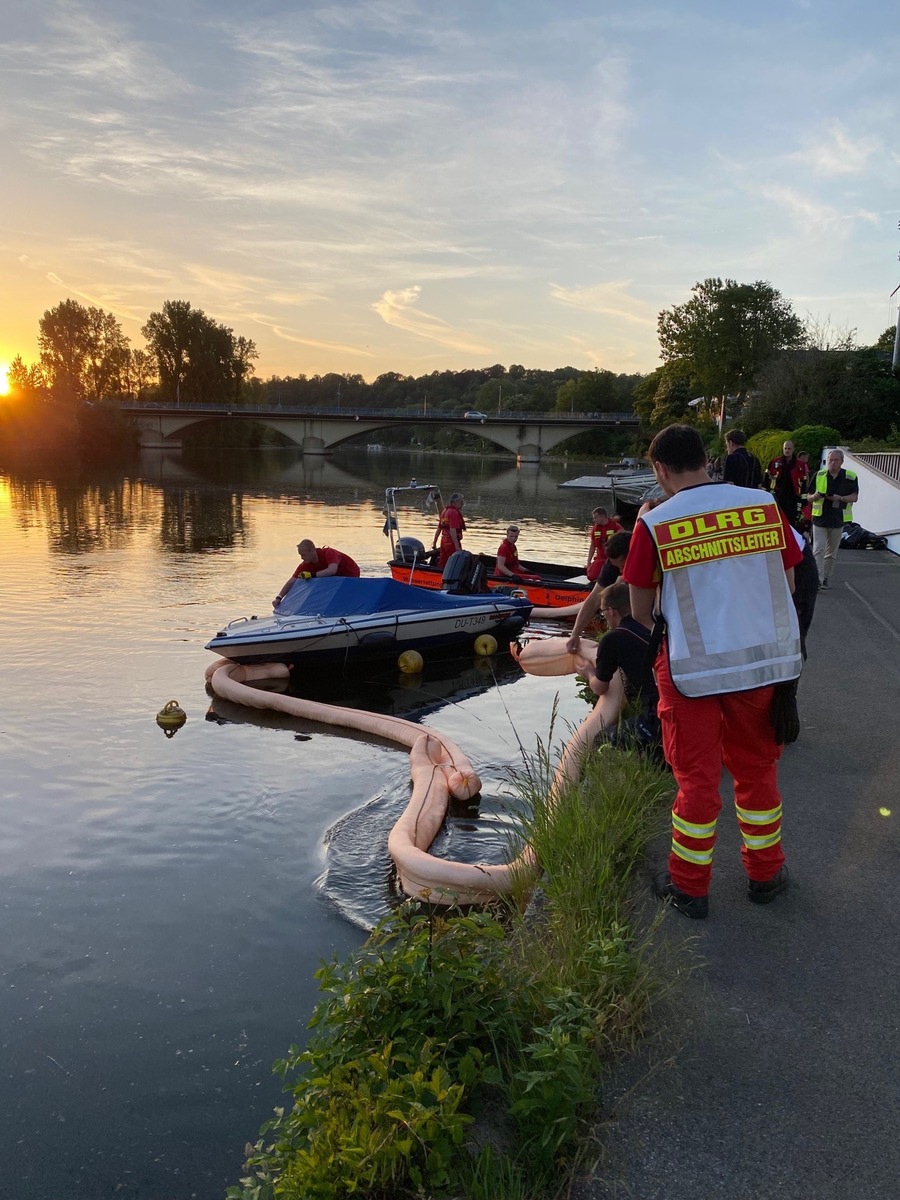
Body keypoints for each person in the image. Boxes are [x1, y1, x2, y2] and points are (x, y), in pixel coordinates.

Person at [623, 424, 803, 920]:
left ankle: (689, 888)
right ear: (707, 458)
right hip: (763, 665)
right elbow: (787, 579)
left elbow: (640, 612)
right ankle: (766, 875)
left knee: (697, 781)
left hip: (690, 673)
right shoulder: (763, 506)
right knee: (757, 772)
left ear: (660, 470)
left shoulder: (655, 523)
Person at [578, 580, 662, 758]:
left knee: (601, 739)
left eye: (602, 612)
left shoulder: (613, 639)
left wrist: (588, 673)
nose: (603, 617)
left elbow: (601, 687)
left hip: (658, 719)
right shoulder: (653, 625)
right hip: (680, 701)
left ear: (612, 611)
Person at [565, 531, 633, 645]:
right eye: (617, 567)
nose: (621, 571)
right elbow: (593, 600)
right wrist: (575, 634)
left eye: (622, 566)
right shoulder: (611, 566)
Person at [809, 449, 859, 590]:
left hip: (838, 519)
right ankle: (817, 579)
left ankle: (825, 577)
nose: (832, 463)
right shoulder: (819, 475)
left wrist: (840, 498)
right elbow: (807, 496)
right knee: (818, 549)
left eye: (836, 460)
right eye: (830, 460)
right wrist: (816, 496)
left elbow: (854, 497)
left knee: (831, 552)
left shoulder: (850, 477)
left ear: (842, 461)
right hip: (820, 518)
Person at [273, 540, 360, 607]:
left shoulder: (329, 553)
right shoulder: (305, 565)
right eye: (300, 555)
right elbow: (291, 582)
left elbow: (332, 570)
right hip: (334, 578)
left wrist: (311, 575)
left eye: (303, 555)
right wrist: (279, 598)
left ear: (312, 551)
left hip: (350, 574)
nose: (302, 558)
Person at [765, 439, 805, 527]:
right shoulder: (775, 462)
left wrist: (804, 501)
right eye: (785, 448)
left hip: (793, 499)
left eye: (789, 449)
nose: (787, 450)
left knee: (792, 523)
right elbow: (766, 479)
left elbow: (804, 484)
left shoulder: (800, 465)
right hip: (777, 497)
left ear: (794, 449)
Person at [585, 507, 624, 582]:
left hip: (613, 558)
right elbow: (592, 546)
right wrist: (588, 562)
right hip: (600, 558)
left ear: (602, 516)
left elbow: (624, 543)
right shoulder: (595, 529)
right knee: (591, 576)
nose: (594, 520)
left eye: (596, 518)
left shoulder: (616, 527)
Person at [433, 493, 466, 568]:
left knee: (443, 562)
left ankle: (438, 575)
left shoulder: (444, 511)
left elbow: (439, 528)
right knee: (455, 562)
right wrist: (457, 546)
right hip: (451, 542)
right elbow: (452, 530)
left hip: (443, 541)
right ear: (455, 502)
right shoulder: (454, 513)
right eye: (461, 502)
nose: (463, 504)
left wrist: (434, 542)